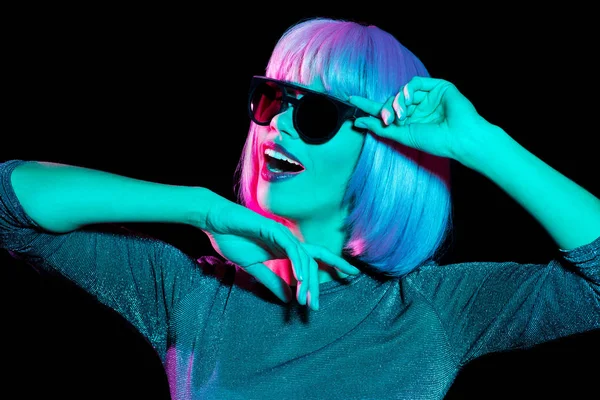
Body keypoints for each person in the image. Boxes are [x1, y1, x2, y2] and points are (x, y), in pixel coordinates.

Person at [1, 16, 599, 400]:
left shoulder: (429, 309)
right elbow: (11, 206)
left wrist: (479, 142)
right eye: (271, 99)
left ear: (385, 150)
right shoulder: (194, 293)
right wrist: (198, 208)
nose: (278, 125)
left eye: (312, 112)